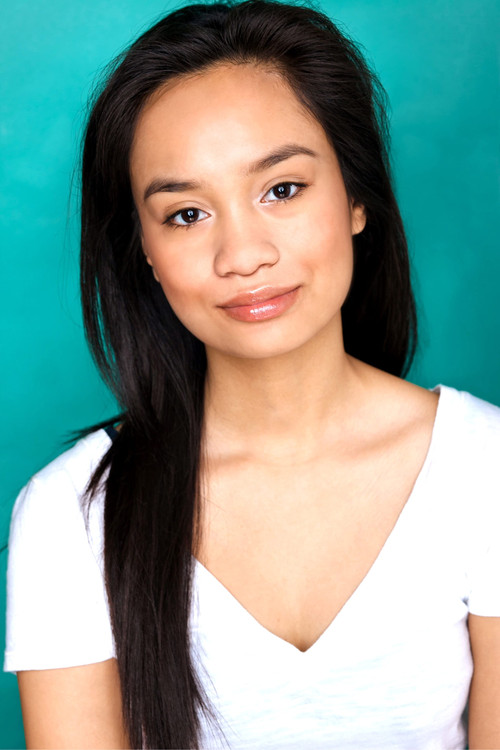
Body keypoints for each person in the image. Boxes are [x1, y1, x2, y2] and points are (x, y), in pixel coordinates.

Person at [4, 1, 500, 748]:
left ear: (356, 196)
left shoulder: (485, 468)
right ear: (144, 250)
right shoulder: (72, 514)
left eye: (282, 190)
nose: (242, 255)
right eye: (186, 214)